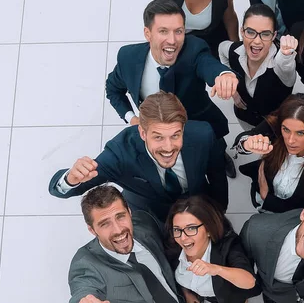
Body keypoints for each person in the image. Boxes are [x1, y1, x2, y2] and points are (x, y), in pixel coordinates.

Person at [105, 0, 239, 178]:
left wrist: (224, 75)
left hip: (197, 122)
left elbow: (208, 65)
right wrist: (132, 118)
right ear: (148, 33)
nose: (172, 40)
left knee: (214, 151)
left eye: (178, 31)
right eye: (163, 31)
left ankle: (219, 160)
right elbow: (113, 89)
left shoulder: (194, 49)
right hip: (159, 130)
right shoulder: (128, 57)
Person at [49, 92, 227, 222]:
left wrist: (218, 212)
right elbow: (68, 188)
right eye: (158, 137)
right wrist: (71, 179)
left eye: (175, 135)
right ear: (142, 133)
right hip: (151, 213)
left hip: (198, 201)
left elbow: (217, 176)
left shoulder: (203, 135)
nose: (168, 147)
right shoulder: (121, 153)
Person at [64, 185, 186, 303]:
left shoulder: (144, 222)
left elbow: (165, 259)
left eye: (120, 216)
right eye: (105, 223)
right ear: (91, 229)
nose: (119, 230)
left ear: (129, 212)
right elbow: (83, 290)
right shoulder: (86, 264)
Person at [232, 94, 304, 213]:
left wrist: (266, 197)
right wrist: (247, 143)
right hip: (261, 197)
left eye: (300, 133)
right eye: (286, 130)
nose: (290, 140)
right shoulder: (276, 130)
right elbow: (243, 139)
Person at [164, 195, 257, 303]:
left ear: (208, 229)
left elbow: (249, 281)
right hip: (206, 293)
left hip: (227, 295)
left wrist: (216, 269)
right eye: (177, 230)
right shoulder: (173, 246)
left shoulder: (228, 246)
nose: (183, 238)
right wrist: (185, 292)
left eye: (191, 228)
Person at [218, 4, 297, 128]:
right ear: (242, 32)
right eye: (250, 32)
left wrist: (287, 53)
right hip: (244, 118)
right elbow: (221, 48)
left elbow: (286, 65)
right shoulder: (234, 50)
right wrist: (232, 87)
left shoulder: (280, 61)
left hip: (275, 128)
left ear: (274, 36)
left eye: (265, 34)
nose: (257, 41)